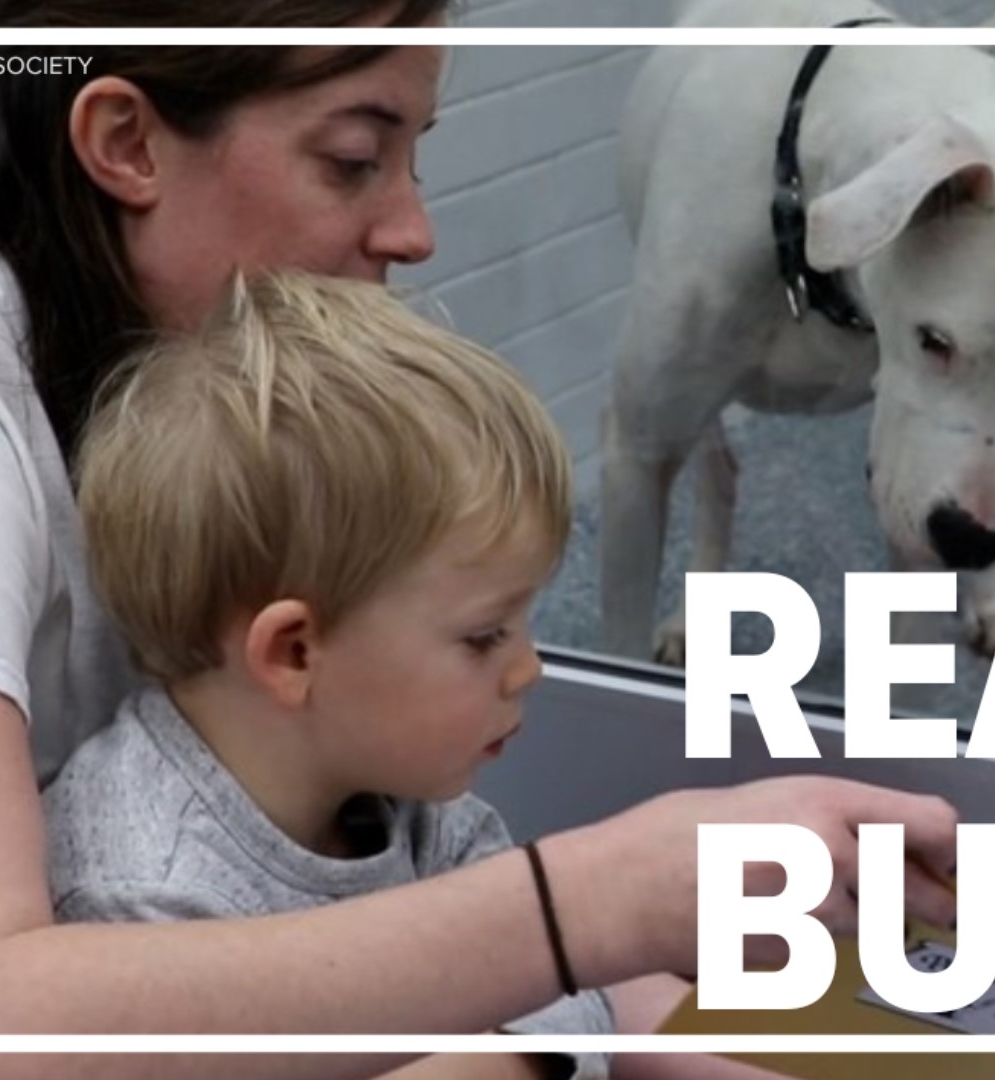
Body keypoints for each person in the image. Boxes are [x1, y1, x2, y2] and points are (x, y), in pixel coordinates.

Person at [0, 3, 961, 1077]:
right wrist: (593, 910)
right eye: (353, 158)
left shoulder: (185, 381)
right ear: (126, 140)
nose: (414, 230)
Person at [50, 270, 618, 1080]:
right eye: (484, 635)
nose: (527, 668)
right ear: (293, 654)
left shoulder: (409, 799)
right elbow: (556, 995)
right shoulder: (139, 893)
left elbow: (569, 987)